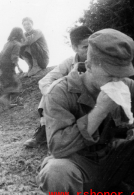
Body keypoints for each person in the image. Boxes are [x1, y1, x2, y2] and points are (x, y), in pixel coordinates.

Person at [36, 29, 134, 193]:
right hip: (78, 165)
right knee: (56, 171)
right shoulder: (59, 92)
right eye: (110, 76)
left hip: (114, 160)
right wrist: (100, 110)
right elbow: (58, 148)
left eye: (121, 74)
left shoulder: (126, 84)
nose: (118, 81)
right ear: (89, 66)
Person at [24, 26, 93, 147]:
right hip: (77, 103)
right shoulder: (69, 62)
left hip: (95, 100)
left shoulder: (102, 59)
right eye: (85, 47)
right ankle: (44, 130)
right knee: (53, 88)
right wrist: (53, 95)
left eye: (92, 45)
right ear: (74, 48)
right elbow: (45, 81)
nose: (90, 50)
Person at [0, 27, 24, 108]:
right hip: (6, 69)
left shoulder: (7, 43)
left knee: (8, 85)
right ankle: (4, 98)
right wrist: (19, 68)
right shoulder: (17, 44)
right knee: (16, 84)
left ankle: (7, 104)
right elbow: (14, 57)